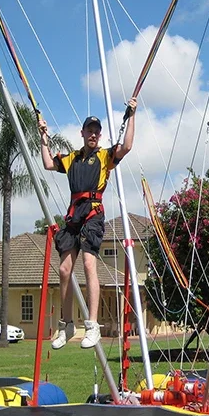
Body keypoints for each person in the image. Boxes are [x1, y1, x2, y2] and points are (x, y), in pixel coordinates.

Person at [38, 98, 137, 349]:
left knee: (89, 263)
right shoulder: (72, 158)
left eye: (96, 131)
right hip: (74, 214)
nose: (92, 134)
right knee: (63, 270)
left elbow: (126, 146)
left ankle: (92, 325)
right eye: (89, 131)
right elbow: (48, 163)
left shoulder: (104, 157)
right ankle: (67, 324)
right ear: (82, 133)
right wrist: (44, 138)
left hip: (92, 212)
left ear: (99, 135)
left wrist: (132, 115)